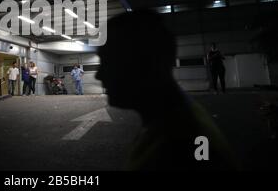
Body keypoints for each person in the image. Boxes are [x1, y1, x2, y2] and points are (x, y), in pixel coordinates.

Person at [96, 10, 239, 171]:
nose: (98, 75)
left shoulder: (177, 147)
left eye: (109, 62)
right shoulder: (176, 120)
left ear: (147, 64)